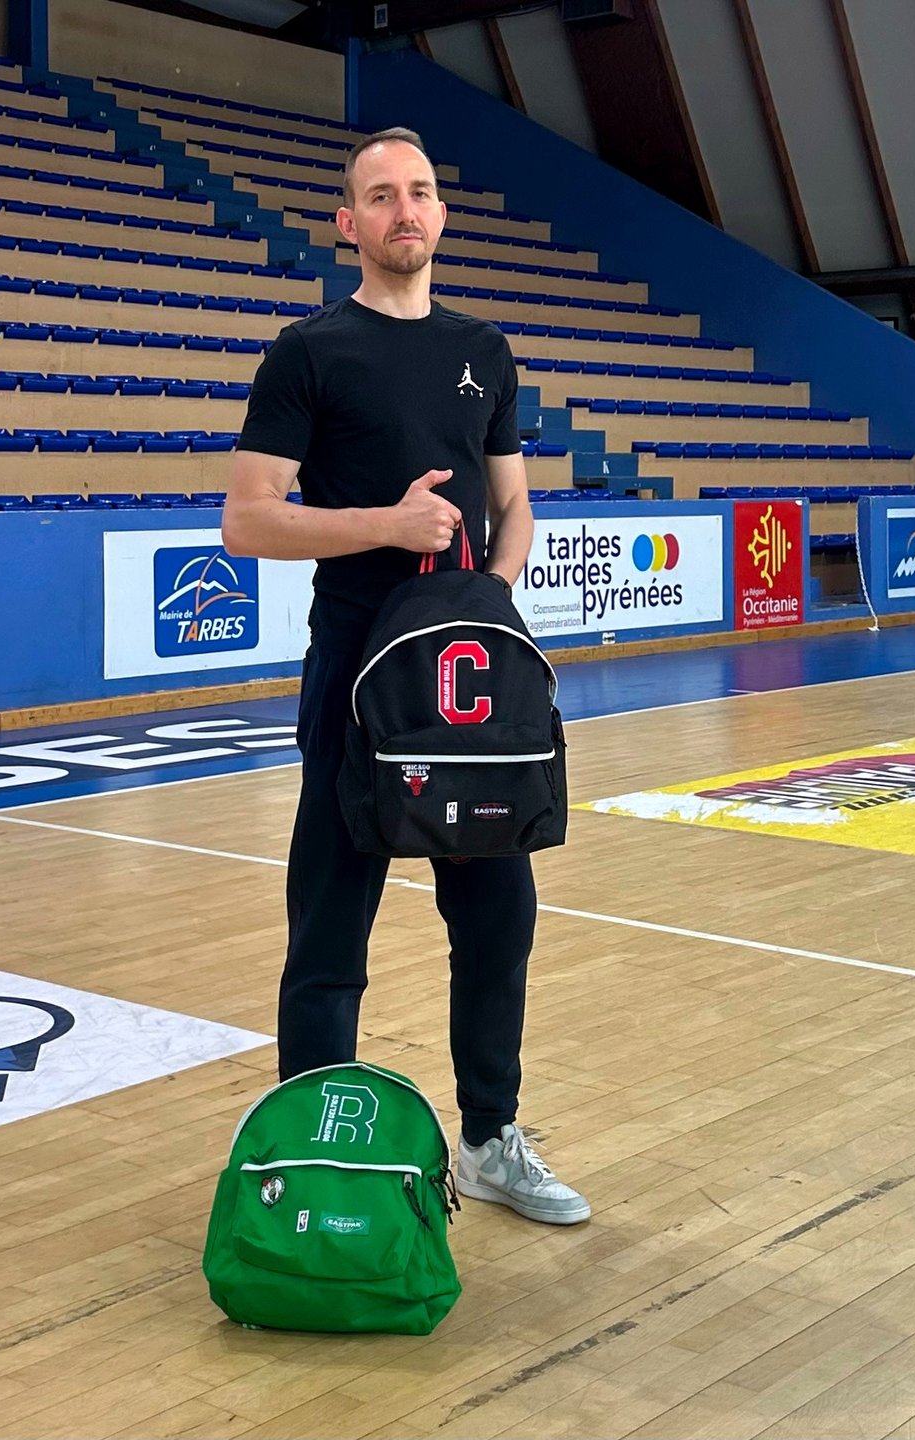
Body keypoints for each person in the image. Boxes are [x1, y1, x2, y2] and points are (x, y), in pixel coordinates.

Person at [221, 127, 588, 1225]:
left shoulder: (485, 348)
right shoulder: (308, 352)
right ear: (349, 225)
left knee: (497, 916)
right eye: (380, 197)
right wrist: (387, 523)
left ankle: (489, 1141)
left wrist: (496, 596)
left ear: (441, 212)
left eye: (420, 192)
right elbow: (245, 522)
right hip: (354, 676)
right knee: (330, 930)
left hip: (467, 682)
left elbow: (513, 501)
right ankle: (308, 1164)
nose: (404, 212)